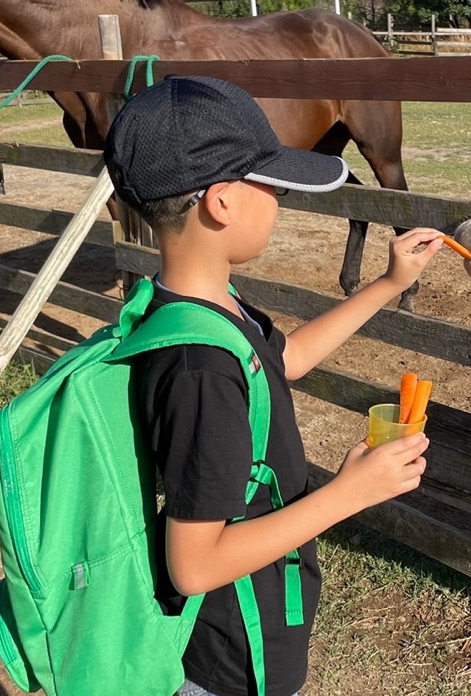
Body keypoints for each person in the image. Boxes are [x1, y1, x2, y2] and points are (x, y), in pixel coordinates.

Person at [102, 75, 443, 696]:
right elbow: (194, 564)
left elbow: (283, 361)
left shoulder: (206, 305)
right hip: (227, 661)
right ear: (222, 201)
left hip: (254, 624)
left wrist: (389, 284)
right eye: (269, 183)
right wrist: (349, 494)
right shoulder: (198, 366)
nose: (280, 201)